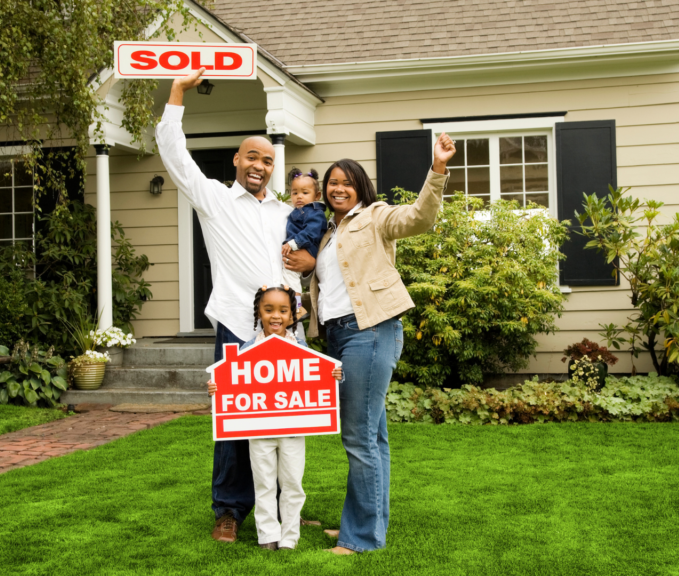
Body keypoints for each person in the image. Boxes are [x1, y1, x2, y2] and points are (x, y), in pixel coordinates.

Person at [155, 69, 317, 544]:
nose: (259, 166)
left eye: (267, 160)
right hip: (236, 325)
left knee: (289, 423)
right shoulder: (213, 200)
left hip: (288, 330)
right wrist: (178, 92)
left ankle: (286, 509)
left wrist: (302, 300)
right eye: (252, 156)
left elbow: (297, 266)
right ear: (236, 160)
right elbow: (175, 155)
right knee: (235, 422)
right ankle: (229, 508)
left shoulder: (288, 212)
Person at [306, 134, 457, 555]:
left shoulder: (375, 216)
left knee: (358, 437)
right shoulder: (326, 233)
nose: (337, 188)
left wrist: (438, 169)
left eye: (346, 182)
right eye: (331, 182)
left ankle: (362, 536)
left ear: (361, 187)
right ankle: (365, 521)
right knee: (372, 436)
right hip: (338, 335)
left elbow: (418, 218)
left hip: (370, 329)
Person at [206, 285, 342, 550]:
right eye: (268, 310)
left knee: (292, 484)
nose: (275, 316)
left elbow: (319, 378)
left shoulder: (301, 349)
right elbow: (230, 382)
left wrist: (334, 376)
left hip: (293, 432)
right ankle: (267, 535)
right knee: (264, 484)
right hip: (259, 433)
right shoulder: (246, 350)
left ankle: (289, 537)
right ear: (259, 313)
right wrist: (216, 388)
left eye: (283, 310)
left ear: (292, 316)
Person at [280, 168, 328, 321]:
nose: (299, 196)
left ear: (317, 195)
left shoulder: (314, 212)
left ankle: (297, 307)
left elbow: (312, 232)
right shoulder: (298, 211)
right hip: (300, 246)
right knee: (288, 278)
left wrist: (294, 243)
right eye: (295, 193)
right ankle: (295, 306)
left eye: (305, 193)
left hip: (307, 247)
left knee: (290, 277)